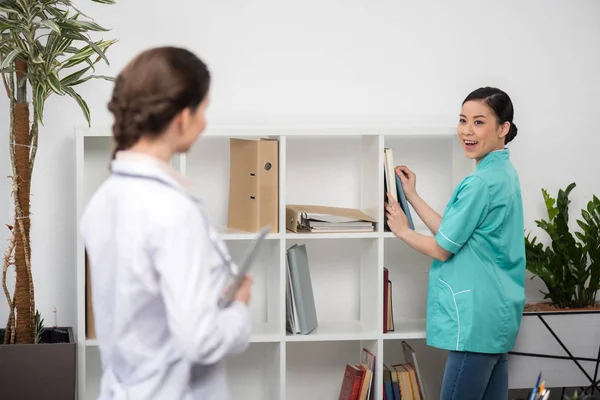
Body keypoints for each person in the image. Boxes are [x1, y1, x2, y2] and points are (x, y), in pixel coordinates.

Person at [80, 46, 253, 400]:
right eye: (203, 109)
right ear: (182, 118)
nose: (205, 121)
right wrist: (238, 308)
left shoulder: (102, 200)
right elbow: (200, 341)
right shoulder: (172, 210)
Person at [385, 87, 525, 400]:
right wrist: (412, 195)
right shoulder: (504, 173)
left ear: (503, 129)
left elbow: (441, 248)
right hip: (496, 318)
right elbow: (453, 232)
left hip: (475, 321)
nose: (467, 131)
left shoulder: (479, 182)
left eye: (478, 122)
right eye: (463, 120)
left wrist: (404, 231)